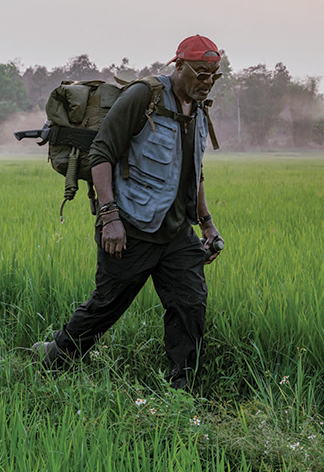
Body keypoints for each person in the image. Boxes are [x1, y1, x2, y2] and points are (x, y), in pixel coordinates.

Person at [34, 34, 224, 390]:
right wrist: (110, 218)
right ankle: (53, 358)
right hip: (131, 226)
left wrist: (207, 223)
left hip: (177, 233)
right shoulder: (144, 96)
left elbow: (193, 170)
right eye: (201, 73)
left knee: (190, 306)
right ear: (179, 66)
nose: (208, 81)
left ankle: (181, 389)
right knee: (107, 306)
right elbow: (101, 152)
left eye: (214, 74)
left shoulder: (199, 109)